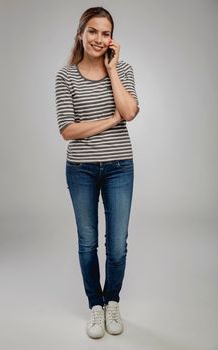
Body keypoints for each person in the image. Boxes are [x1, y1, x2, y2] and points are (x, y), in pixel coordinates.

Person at [54, 6, 140, 339]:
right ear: (81, 33)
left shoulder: (125, 69)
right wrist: (110, 121)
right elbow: (68, 130)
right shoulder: (65, 76)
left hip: (120, 167)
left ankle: (112, 301)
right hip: (81, 170)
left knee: (117, 244)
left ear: (112, 39)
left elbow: (129, 111)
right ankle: (95, 305)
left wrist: (113, 69)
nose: (99, 39)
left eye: (106, 33)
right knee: (87, 242)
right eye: (93, 31)